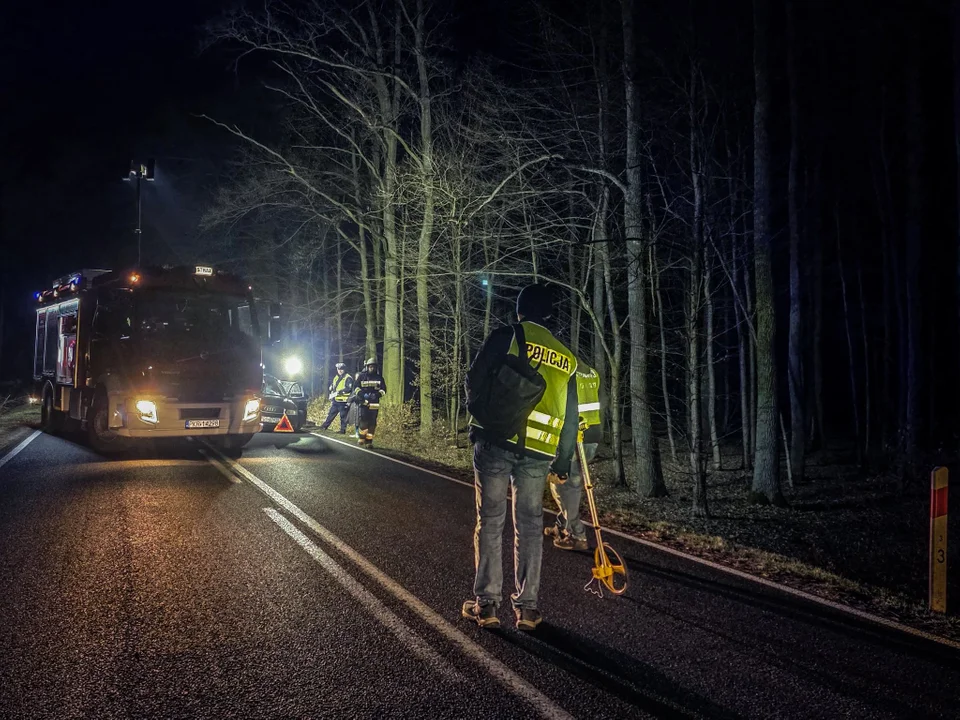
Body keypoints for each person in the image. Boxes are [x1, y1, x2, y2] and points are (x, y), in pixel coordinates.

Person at [461, 284, 578, 631]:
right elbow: (571, 418)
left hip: (498, 441)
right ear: (550, 315)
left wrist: (479, 419)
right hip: (540, 453)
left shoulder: (508, 336)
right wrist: (563, 461)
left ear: (520, 310)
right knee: (529, 527)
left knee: (491, 521)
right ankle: (527, 609)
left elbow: (474, 378)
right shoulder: (567, 358)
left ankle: (487, 605)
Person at [545, 363, 601, 551]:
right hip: (592, 438)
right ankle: (561, 526)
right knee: (573, 488)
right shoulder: (592, 373)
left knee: (562, 486)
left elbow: (568, 412)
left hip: (574, 440)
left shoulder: (567, 374)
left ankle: (577, 534)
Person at [352, 357, 386, 446]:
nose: (372, 368)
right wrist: (362, 395)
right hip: (364, 402)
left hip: (374, 403)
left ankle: (369, 441)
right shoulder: (362, 377)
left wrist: (377, 395)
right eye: (370, 366)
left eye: (373, 367)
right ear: (367, 367)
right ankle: (361, 438)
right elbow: (356, 387)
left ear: (376, 367)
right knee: (363, 421)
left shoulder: (380, 378)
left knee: (372, 423)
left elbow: (384, 390)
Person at [320, 362, 354, 433]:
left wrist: (340, 392)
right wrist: (331, 388)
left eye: (341, 369)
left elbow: (349, 389)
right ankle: (324, 426)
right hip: (336, 400)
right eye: (338, 369)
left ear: (344, 369)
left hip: (343, 401)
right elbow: (333, 386)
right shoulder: (336, 377)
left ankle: (342, 430)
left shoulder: (348, 378)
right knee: (331, 414)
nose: (340, 371)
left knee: (343, 417)